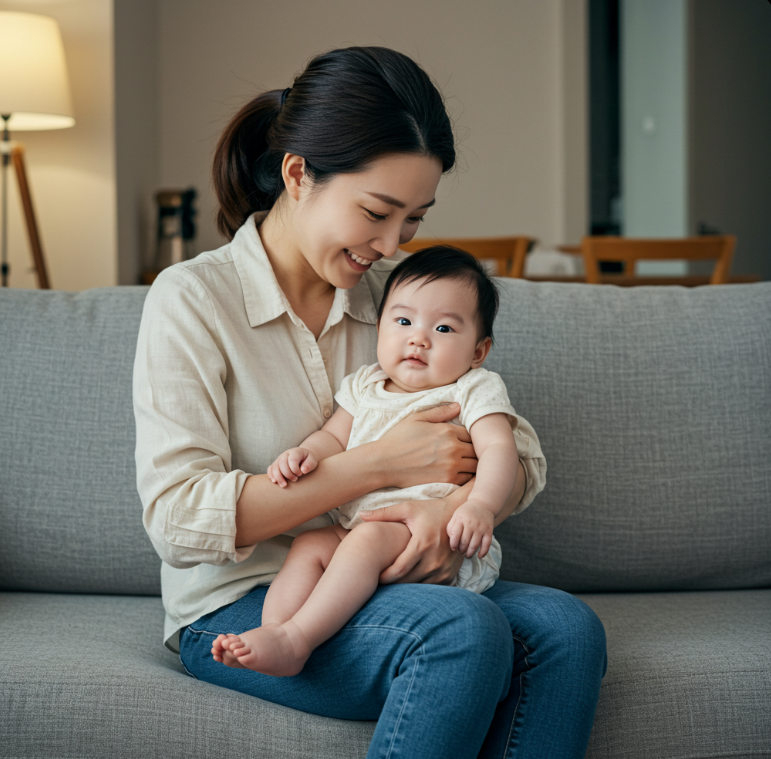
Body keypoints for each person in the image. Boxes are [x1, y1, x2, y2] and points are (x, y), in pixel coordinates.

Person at [133, 46, 606, 759]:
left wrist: (445, 513)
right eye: (377, 213)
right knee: (460, 630)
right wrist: (377, 467)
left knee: (567, 630)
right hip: (242, 603)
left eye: (413, 219)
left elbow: (519, 454)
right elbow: (176, 517)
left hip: (384, 574)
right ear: (298, 174)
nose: (389, 245)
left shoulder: (393, 304)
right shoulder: (193, 299)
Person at [214, 247, 525, 676]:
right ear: (379, 329)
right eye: (403, 322)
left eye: (444, 328)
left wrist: (478, 506)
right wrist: (305, 454)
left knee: (362, 542)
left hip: (432, 540)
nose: (419, 338)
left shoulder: (472, 390)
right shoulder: (366, 385)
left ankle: (298, 638)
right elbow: (332, 437)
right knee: (309, 545)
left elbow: (500, 450)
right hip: (357, 530)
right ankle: (273, 633)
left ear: (478, 351)